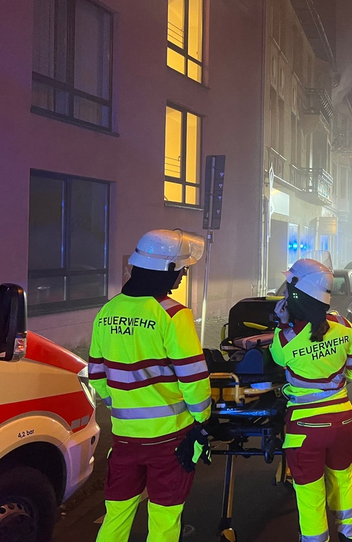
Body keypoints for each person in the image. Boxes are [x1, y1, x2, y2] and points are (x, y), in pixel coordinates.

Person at [88, 229, 212, 542]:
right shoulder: (174, 315)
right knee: (164, 516)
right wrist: (202, 420)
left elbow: (96, 373)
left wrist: (120, 407)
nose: (183, 276)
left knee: (116, 513)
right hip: (169, 438)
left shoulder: (108, 311)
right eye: (182, 269)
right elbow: (194, 378)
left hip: (125, 437)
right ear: (166, 271)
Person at [270, 258, 352, 542]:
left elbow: (279, 361)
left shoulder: (285, 339)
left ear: (295, 295)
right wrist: (334, 383)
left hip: (305, 429)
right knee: (343, 478)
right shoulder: (343, 325)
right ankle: (351, 534)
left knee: (310, 492)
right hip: (343, 421)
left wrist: (281, 323)